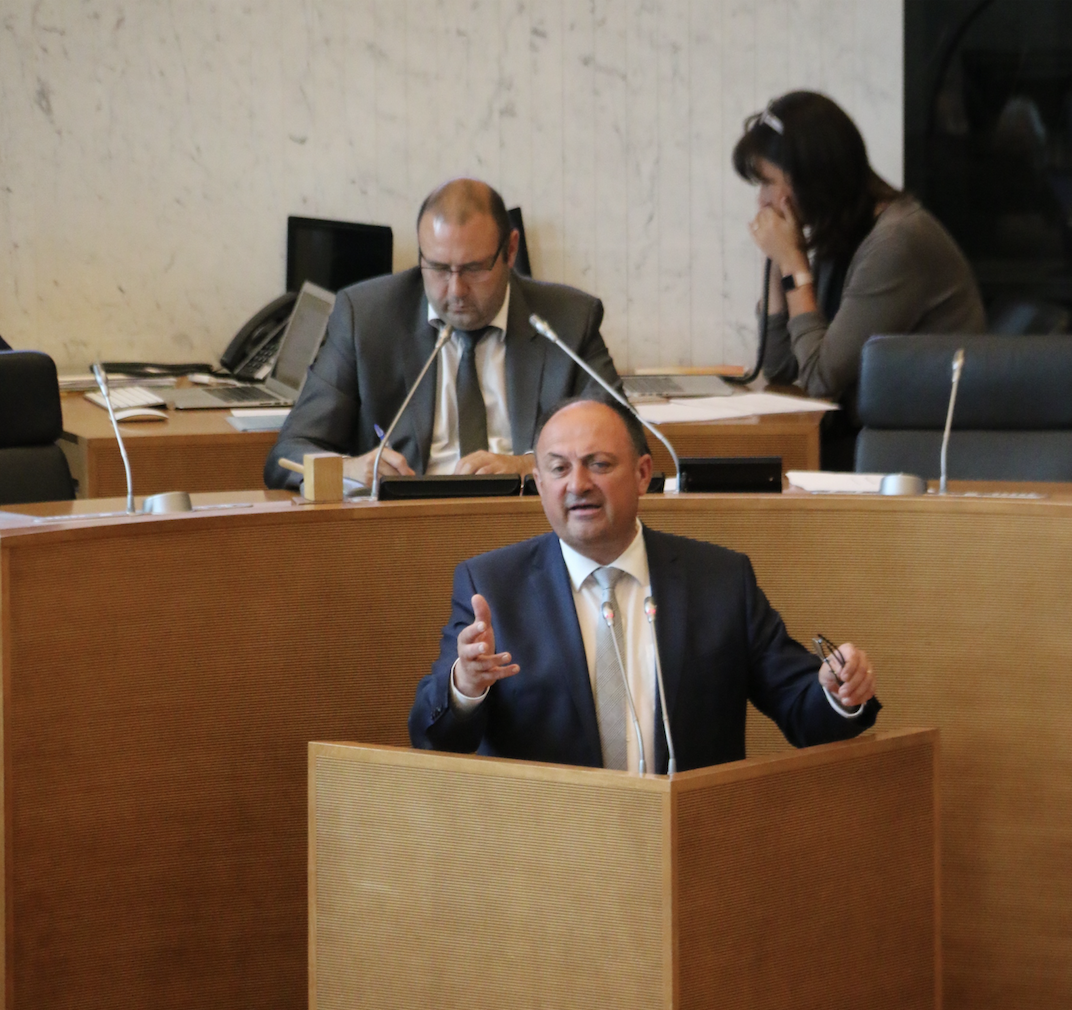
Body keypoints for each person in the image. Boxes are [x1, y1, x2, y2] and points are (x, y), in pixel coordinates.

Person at [409, 396, 879, 773]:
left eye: (598, 464)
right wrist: (465, 688)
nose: (578, 484)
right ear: (537, 482)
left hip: (690, 847)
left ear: (642, 474)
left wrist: (838, 693)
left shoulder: (719, 580)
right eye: (558, 468)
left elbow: (803, 711)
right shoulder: (491, 585)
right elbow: (437, 737)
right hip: (549, 856)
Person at [265, 179, 620, 489]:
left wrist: (533, 465)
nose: (455, 290)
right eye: (437, 268)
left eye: (474, 269)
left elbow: (625, 444)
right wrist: (351, 469)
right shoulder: (366, 317)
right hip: (405, 530)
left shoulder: (568, 320)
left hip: (530, 527)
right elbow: (289, 453)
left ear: (511, 250)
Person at [734, 91, 986, 469]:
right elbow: (782, 368)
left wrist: (793, 261)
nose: (762, 201)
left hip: (925, 456)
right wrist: (777, 261)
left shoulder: (897, 241)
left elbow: (819, 380)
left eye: (768, 182)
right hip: (875, 439)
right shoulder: (844, 230)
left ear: (811, 179)